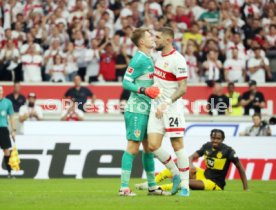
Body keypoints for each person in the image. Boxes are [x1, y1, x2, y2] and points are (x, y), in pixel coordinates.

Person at [119, 28, 168, 196]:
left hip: (148, 109)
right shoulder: (138, 59)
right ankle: (124, 187)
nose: (153, 38)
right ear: (141, 42)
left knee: (149, 149)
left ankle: (152, 186)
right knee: (133, 148)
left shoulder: (150, 58)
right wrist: (143, 90)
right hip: (136, 110)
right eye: (149, 36)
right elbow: (125, 82)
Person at [147, 27, 190, 196]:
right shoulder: (158, 56)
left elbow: (183, 88)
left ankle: (185, 186)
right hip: (156, 108)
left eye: (157, 37)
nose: (154, 39)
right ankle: (176, 173)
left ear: (168, 40)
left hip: (172, 109)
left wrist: (167, 102)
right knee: (152, 145)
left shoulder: (178, 60)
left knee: (177, 145)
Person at [135, 129, 249, 192]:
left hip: (214, 183)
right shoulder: (207, 146)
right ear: (210, 138)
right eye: (213, 138)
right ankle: (151, 183)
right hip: (202, 175)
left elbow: (241, 169)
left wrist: (245, 189)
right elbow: (190, 157)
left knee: (184, 183)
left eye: (218, 139)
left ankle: (158, 188)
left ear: (223, 139)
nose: (215, 141)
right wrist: (191, 165)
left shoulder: (228, 151)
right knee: (176, 167)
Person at [0, 86, 16, 178]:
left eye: (0, 90)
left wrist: (13, 130)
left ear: (2, 91)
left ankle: (9, 173)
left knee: (6, 151)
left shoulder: (8, 102)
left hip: (3, 128)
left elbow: (12, 117)